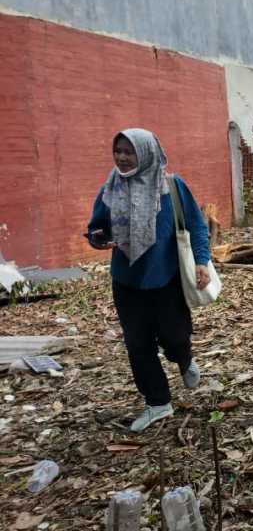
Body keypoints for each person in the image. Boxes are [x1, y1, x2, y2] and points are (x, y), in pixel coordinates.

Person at [86, 129, 211, 432]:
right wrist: (98, 238)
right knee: (138, 344)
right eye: (118, 150)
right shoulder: (111, 187)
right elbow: (96, 227)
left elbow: (196, 224)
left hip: (166, 277)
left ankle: (184, 360)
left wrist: (201, 260)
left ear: (146, 153)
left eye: (129, 151)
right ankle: (158, 403)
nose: (122, 157)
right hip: (127, 280)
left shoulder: (171, 186)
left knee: (175, 337)